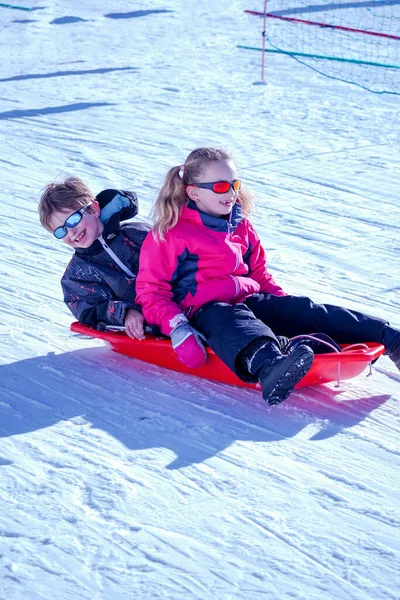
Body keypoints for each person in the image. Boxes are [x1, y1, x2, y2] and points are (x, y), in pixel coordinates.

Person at [135, 147, 400, 406]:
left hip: (246, 299)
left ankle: (389, 337)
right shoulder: (170, 234)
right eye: (219, 187)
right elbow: (151, 292)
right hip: (201, 312)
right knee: (229, 319)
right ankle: (270, 365)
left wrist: (284, 306)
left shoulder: (240, 224)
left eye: (234, 184)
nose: (230, 193)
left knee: (303, 309)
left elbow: (259, 272)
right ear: (193, 192)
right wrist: (179, 328)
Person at [38, 177, 149, 340]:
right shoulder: (76, 276)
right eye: (60, 231)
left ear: (94, 209)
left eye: (73, 220)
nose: (71, 233)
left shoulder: (137, 235)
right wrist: (125, 313)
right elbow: (89, 308)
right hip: (147, 325)